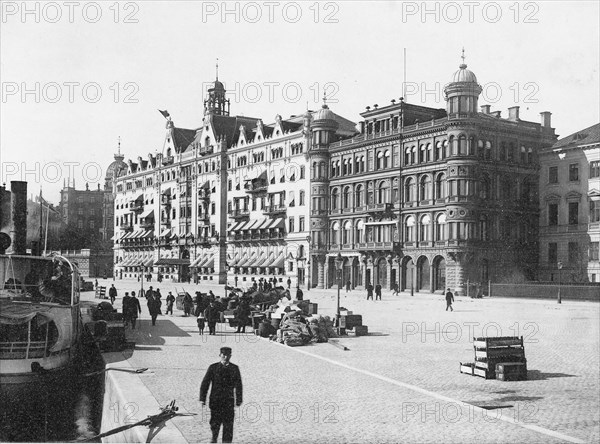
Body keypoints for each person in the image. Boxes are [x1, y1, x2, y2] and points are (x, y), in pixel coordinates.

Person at [199, 347, 243, 444]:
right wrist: (202, 398)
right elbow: (205, 383)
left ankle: (226, 442)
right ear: (220, 355)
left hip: (228, 401)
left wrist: (239, 399)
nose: (226, 357)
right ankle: (214, 438)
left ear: (230, 356)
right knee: (215, 422)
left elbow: (238, 385)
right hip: (216, 401)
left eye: (228, 355)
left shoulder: (234, 368)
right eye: (224, 355)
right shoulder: (213, 367)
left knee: (228, 424)